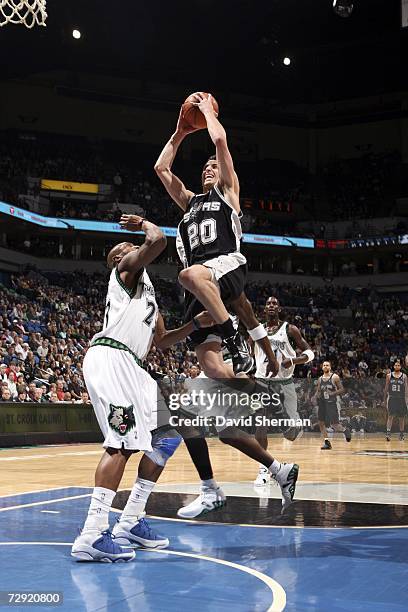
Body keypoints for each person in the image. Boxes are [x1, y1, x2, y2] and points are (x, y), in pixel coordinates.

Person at [71, 214, 214, 562]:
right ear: (119, 260)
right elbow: (158, 241)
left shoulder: (147, 295)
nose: (131, 249)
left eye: (132, 247)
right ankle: (91, 534)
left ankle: (131, 519)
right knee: (120, 445)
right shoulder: (125, 271)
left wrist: (194, 323)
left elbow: (162, 340)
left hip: (136, 369)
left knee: (167, 436)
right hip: (112, 359)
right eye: (125, 249)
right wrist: (144, 224)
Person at [252, 296, 315, 485]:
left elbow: (310, 353)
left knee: (290, 434)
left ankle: (297, 427)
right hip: (263, 381)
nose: (271, 305)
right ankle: (263, 470)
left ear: (279, 308)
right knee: (260, 425)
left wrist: (294, 360)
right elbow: (250, 354)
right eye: (268, 303)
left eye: (274, 303)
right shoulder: (256, 330)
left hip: (285, 383)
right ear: (264, 309)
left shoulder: (290, 329)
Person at [312, 361, 351, 450]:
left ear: (330, 367)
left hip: (331, 403)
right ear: (322, 367)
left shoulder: (335, 377)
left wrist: (332, 393)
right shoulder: (320, 379)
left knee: (335, 425)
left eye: (327, 365)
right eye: (324, 365)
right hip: (322, 403)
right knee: (321, 423)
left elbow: (342, 390)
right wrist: (315, 397)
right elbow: (318, 391)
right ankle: (327, 442)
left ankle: (345, 430)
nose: (325, 367)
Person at [384, 359, 407, 441]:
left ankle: (401, 434)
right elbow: (386, 388)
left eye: (398, 365)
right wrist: (384, 399)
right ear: (393, 366)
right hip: (392, 398)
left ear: (400, 367)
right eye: (395, 365)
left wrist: (406, 400)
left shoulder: (404, 376)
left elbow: (406, 389)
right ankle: (388, 433)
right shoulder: (389, 375)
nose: (397, 366)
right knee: (390, 416)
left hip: (401, 398)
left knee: (402, 417)